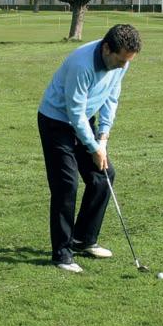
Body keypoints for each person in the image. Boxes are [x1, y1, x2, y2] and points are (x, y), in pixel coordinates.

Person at [37, 24, 141, 273]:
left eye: (127, 61)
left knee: (103, 176)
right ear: (106, 49)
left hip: (84, 120)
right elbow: (75, 113)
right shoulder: (81, 65)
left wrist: (103, 138)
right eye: (120, 60)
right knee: (66, 185)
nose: (123, 66)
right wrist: (93, 148)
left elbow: (111, 98)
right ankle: (62, 253)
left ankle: (83, 239)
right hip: (56, 122)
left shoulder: (121, 63)